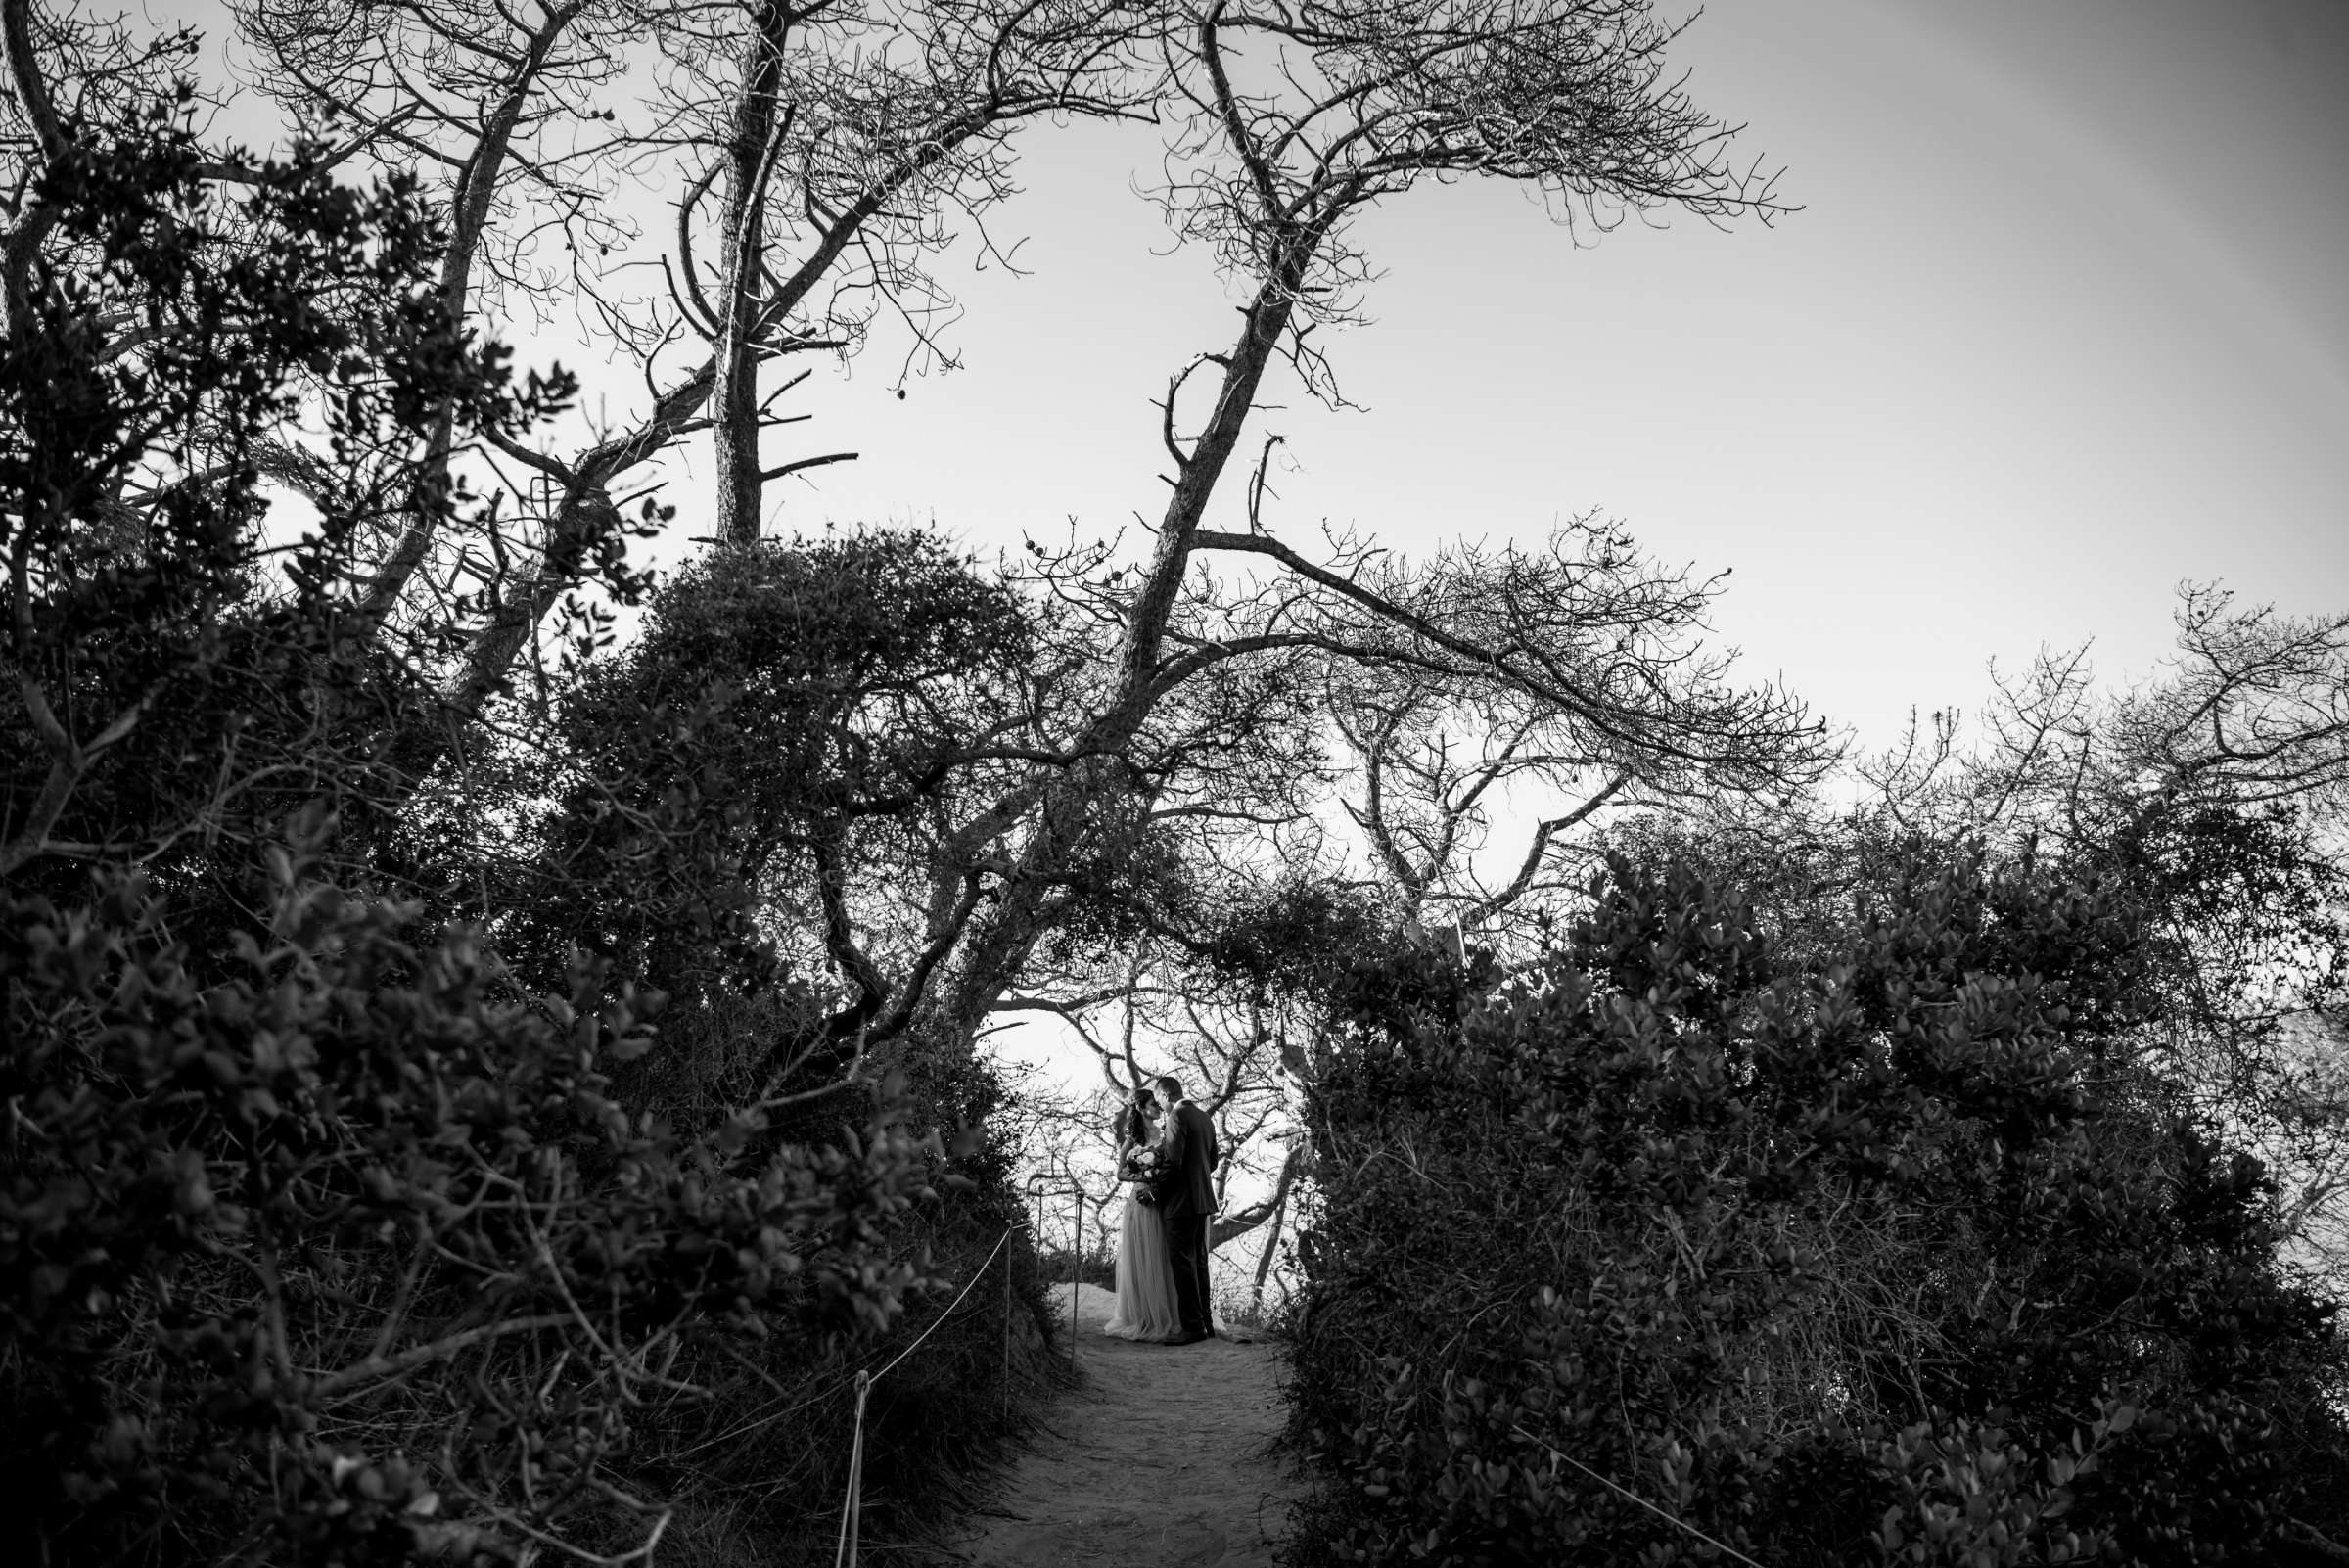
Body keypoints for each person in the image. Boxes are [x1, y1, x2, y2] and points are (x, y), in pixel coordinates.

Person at [1102, 1092, 1182, 1342]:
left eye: (1159, 1104)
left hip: (1159, 1201)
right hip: (1138, 1202)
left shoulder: (1165, 1133)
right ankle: (1142, 1317)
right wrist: (1143, 1177)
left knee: (1160, 1256)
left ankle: (1166, 1314)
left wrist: (1156, 1179)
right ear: (1141, 1108)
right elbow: (1120, 1173)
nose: (1158, 1108)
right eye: (1153, 1105)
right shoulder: (1132, 1139)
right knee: (1142, 1258)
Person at [1155, 1074, 1219, 1345]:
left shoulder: (1176, 1118)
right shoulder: (1205, 1118)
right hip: (1203, 1200)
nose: (1160, 1108)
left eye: (1159, 1101)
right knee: (1199, 1263)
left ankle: (1192, 1328)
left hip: (1181, 1203)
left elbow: (1173, 1163)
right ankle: (1206, 1323)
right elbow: (1213, 1161)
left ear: (1166, 1095)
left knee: (1182, 1264)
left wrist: (1152, 1191)